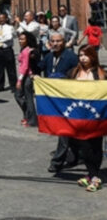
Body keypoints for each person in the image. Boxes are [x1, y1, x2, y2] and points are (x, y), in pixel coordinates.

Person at [39, 32, 80, 173]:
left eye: (58, 41)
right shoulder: (49, 56)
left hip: (69, 99)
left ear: (64, 42)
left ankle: (57, 161)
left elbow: (78, 75)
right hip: (55, 100)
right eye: (53, 41)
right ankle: (74, 157)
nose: (55, 44)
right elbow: (40, 66)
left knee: (65, 129)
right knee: (70, 130)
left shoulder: (71, 57)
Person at [69, 45, 105, 192]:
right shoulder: (74, 72)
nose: (83, 58)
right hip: (78, 116)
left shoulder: (100, 74)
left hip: (96, 117)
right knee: (82, 147)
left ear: (93, 57)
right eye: (80, 55)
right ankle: (91, 174)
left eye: (86, 55)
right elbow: (61, 86)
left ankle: (95, 177)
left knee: (94, 146)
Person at [15, 32, 40, 128]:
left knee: (26, 97)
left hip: (27, 76)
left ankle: (32, 119)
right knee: (21, 96)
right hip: (24, 75)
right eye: (19, 39)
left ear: (27, 40)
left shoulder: (27, 50)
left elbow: (25, 67)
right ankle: (28, 115)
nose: (20, 41)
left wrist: (19, 80)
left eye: (22, 39)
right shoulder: (24, 49)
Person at [0, 14, 17, 92]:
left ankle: (13, 86)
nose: (1, 20)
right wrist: (2, 38)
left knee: (11, 69)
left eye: (3, 18)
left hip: (7, 50)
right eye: (0, 18)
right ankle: (0, 86)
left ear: (6, 19)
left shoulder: (10, 28)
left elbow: (9, 37)